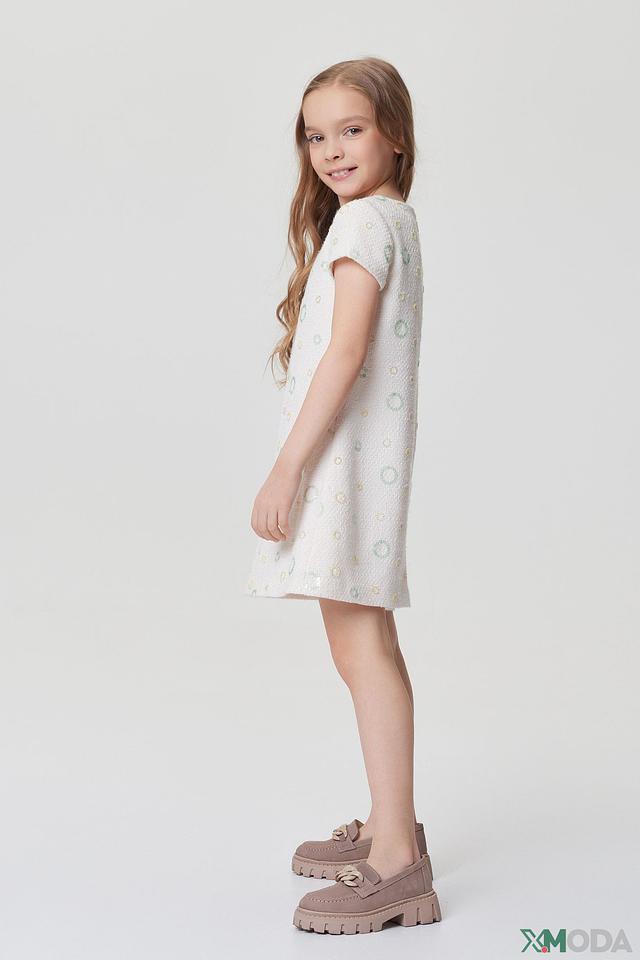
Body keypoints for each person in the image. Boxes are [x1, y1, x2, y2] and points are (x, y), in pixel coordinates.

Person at [244, 56, 442, 936]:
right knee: (368, 647)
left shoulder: (364, 223)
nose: (330, 150)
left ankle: (396, 860)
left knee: (362, 652)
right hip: (363, 466)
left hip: (341, 469)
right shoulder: (389, 219)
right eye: (315, 135)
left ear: (395, 134)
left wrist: (286, 466)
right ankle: (392, 825)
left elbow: (347, 352)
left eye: (351, 129)